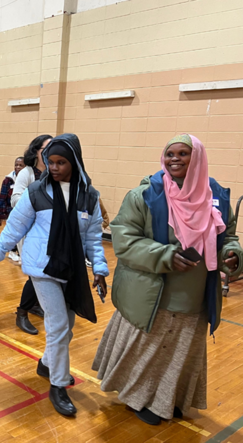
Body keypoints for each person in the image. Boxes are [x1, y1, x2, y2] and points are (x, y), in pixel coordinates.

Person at [92, 134, 243, 425]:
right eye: (170, 153)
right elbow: (124, 239)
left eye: (183, 153)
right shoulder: (144, 196)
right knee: (148, 352)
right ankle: (140, 399)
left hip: (196, 296)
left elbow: (229, 237)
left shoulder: (218, 197)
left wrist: (233, 255)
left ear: (197, 157)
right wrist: (164, 256)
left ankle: (168, 400)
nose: (175, 159)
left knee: (179, 356)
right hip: (151, 296)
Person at [0, 133, 108, 417]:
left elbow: (93, 239)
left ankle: (46, 363)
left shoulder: (89, 195)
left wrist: (99, 269)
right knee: (59, 324)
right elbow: (15, 226)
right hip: (43, 268)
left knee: (68, 325)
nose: (53, 167)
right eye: (50, 162)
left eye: (60, 162)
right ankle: (58, 385)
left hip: (72, 269)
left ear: (74, 162)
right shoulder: (36, 192)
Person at [11, 135, 53, 335]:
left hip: (47, 231)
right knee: (35, 272)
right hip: (29, 230)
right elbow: (15, 199)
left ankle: (34, 305)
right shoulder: (27, 173)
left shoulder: (54, 173)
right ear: (36, 151)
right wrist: (36, 204)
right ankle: (22, 312)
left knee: (43, 270)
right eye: (46, 147)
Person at [0, 157, 25, 262]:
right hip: (11, 211)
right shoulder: (8, 180)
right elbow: (2, 197)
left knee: (22, 233)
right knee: (14, 232)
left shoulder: (27, 179)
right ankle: (12, 251)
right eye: (16, 164)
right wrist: (0, 214)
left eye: (20, 165)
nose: (17, 167)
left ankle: (20, 252)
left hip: (24, 212)